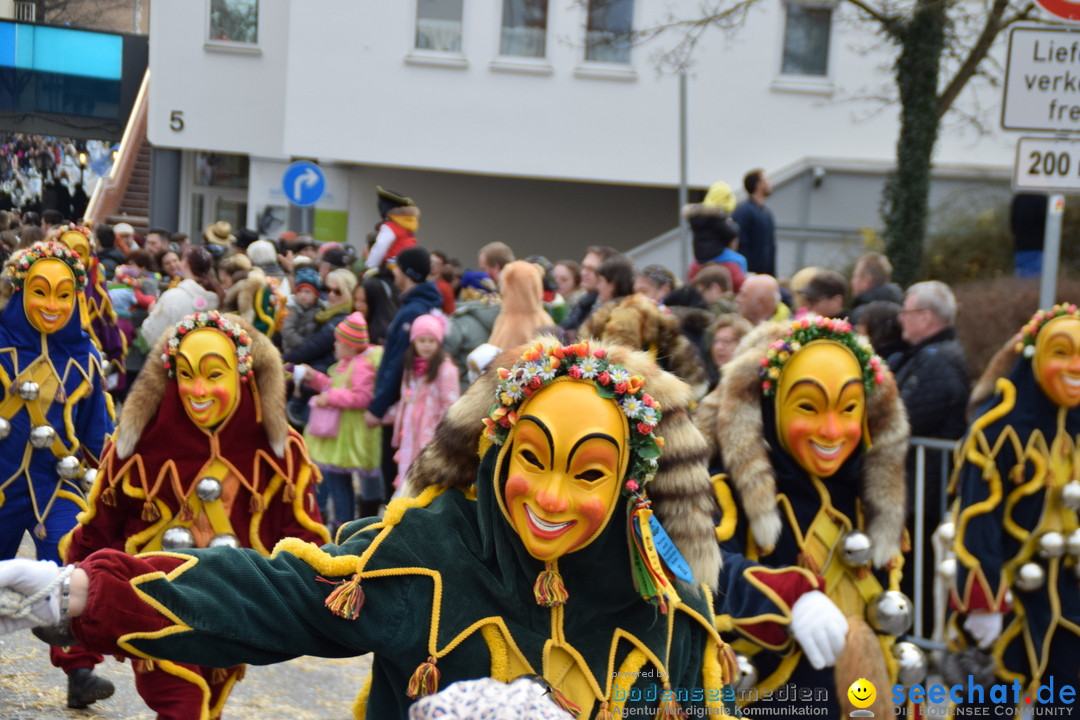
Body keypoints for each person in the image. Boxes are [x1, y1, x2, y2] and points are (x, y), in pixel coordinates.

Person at [0, 334, 733, 720]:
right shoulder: (431, 550)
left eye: (589, 473)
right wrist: (87, 592)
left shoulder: (664, 602)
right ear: (497, 448)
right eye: (532, 459)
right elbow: (278, 593)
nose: (550, 495)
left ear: (630, 483)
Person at [60, 311, 329, 720]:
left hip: (232, 607)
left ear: (240, 375)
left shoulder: (280, 453)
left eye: (213, 375)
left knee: (206, 708)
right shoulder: (136, 448)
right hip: (148, 599)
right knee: (182, 704)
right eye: (185, 374)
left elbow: (302, 540)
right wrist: (70, 624)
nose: (197, 390)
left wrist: (328, 600)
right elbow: (96, 533)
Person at [696, 317, 911, 717]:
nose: (831, 431)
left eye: (848, 409)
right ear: (772, 405)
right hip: (773, 695)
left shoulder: (866, 490)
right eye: (808, 407)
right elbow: (700, 566)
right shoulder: (727, 484)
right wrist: (789, 599)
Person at [0, 241, 116, 709]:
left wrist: (110, 483)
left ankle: (80, 670)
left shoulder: (85, 359)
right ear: (20, 290)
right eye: (41, 292)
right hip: (3, 484)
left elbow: (95, 433)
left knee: (71, 569)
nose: (52, 305)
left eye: (64, 295)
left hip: (58, 485)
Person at [950, 304, 1080, 709]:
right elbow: (976, 517)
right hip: (1007, 598)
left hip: (1070, 599)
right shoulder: (996, 430)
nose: (1075, 366)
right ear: (1036, 357)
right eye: (1061, 352)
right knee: (990, 703)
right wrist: (982, 601)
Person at [363, 246, 444, 502]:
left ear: (407, 272)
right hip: (404, 405)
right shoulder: (415, 304)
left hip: (401, 409)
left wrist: (377, 406)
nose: (393, 271)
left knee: (394, 471)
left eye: (397, 266)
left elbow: (399, 362)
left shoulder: (413, 310)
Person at [300, 312, 383, 529]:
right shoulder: (349, 363)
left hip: (347, 438)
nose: (334, 346)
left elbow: (362, 397)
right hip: (340, 436)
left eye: (338, 342)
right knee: (339, 482)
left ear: (351, 345)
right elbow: (337, 385)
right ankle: (343, 524)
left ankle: (343, 527)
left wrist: (329, 397)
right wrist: (315, 379)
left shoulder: (361, 366)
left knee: (340, 484)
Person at [392, 314, 458, 498]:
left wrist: (443, 436)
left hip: (431, 436)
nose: (426, 345)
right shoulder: (411, 368)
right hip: (410, 434)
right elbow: (406, 398)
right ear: (414, 341)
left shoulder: (445, 369)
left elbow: (450, 405)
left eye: (431, 340)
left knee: (426, 480)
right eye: (422, 340)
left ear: (439, 342)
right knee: (407, 474)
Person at [139, 247, 223, 348]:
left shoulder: (173, 296)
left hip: (176, 360)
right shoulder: (217, 298)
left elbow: (152, 336)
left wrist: (153, 312)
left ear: (185, 263)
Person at [731, 169, 776, 276]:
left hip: (765, 275)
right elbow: (740, 244)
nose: (770, 183)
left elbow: (771, 247)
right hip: (749, 275)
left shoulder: (766, 213)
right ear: (759, 184)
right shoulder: (744, 212)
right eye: (767, 180)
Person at [366, 186, 419, 271]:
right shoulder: (407, 227)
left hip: (393, 269)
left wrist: (370, 267)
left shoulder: (390, 227)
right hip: (408, 269)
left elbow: (380, 247)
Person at [1010, 192, 1047, 279]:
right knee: (1036, 285)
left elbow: (1013, 224)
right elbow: (1049, 225)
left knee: (1022, 284)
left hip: (1020, 249)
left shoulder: (1019, 199)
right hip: (1038, 249)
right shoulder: (1041, 199)